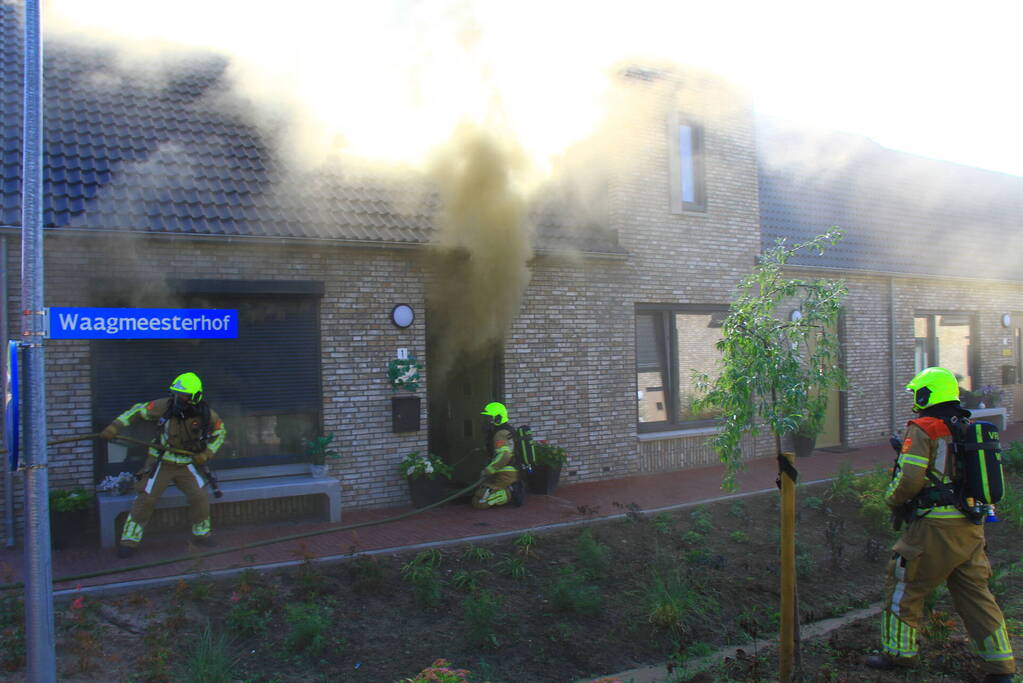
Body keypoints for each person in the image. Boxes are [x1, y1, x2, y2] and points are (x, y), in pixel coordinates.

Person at [866, 367, 1015, 681]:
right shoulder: (966, 427)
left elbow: (909, 479)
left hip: (933, 529)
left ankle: (898, 654)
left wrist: (891, 499)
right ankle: (1002, 667)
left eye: (917, 393)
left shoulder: (923, 429)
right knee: (977, 597)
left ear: (927, 394)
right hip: (971, 528)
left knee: (904, 586)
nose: (914, 399)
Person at [100, 372, 227, 558]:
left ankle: (202, 533)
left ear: (196, 396)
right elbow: (137, 411)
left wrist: (206, 453)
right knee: (146, 499)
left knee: (199, 496)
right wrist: (115, 426)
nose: (179, 398)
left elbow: (220, 433)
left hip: (186, 464)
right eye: (177, 394)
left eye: (184, 395)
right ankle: (129, 541)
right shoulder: (164, 406)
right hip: (161, 461)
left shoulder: (207, 414)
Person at [472, 401, 524, 509]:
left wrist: (488, 470)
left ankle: (509, 492)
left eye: (490, 418)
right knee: (478, 494)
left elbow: (505, 455)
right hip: (505, 471)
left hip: (505, 473)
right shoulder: (505, 430)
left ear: (498, 418)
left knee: (479, 503)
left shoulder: (500, 434)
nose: (487, 421)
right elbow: (502, 450)